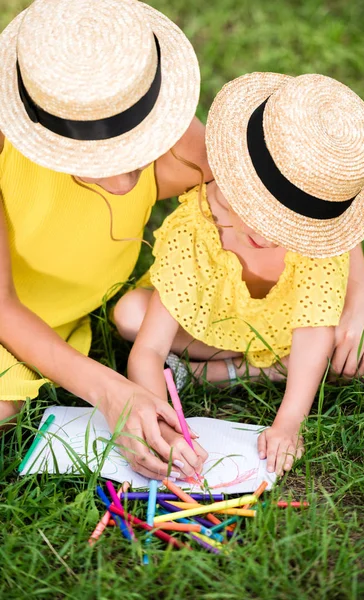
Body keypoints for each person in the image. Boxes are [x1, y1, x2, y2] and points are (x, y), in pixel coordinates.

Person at [114, 72, 364, 476]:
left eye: (286, 224)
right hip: (219, 320)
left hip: (294, 328)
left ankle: (228, 373)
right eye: (259, 214)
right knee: (130, 315)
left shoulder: (314, 235)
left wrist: (288, 423)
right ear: (233, 178)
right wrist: (164, 423)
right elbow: (148, 350)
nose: (267, 236)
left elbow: (315, 328)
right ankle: (274, 369)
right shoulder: (195, 228)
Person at [0, 0, 212, 480]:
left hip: (60, 318)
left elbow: (292, 196)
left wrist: (358, 294)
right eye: (93, 157)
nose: (121, 180)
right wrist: (113, 392)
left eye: (135, 148)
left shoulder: (180, 142)